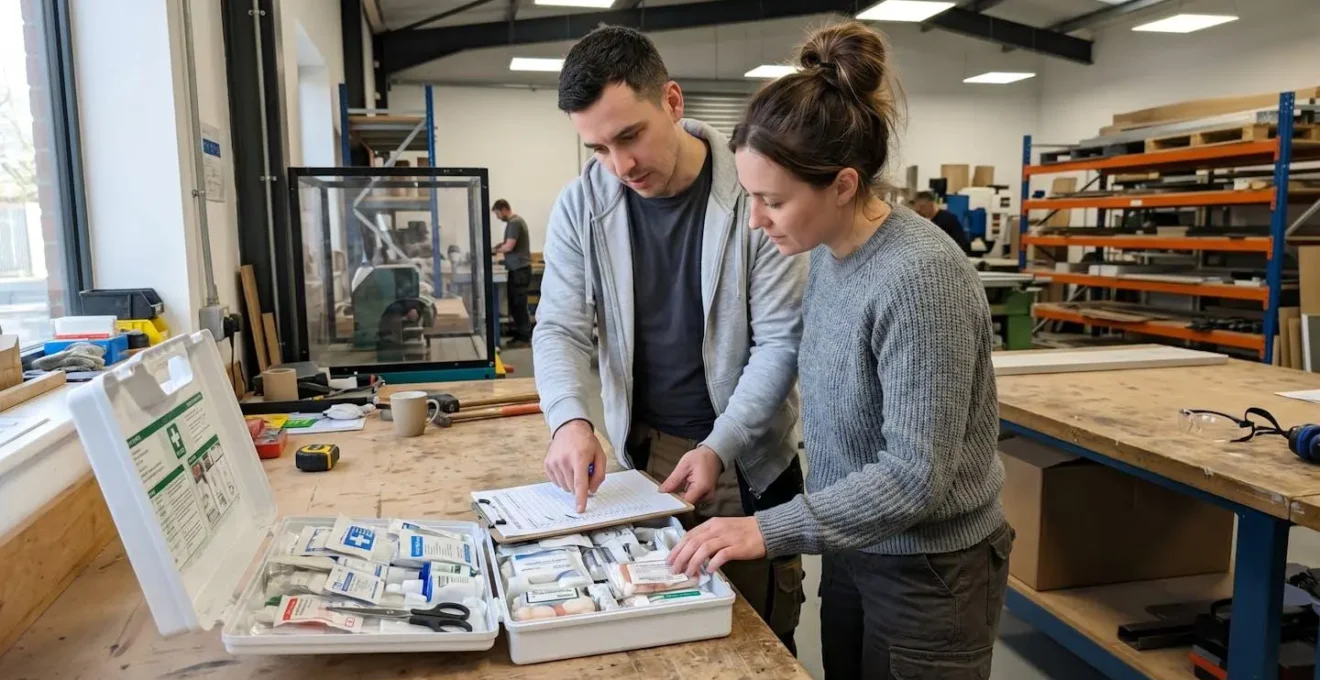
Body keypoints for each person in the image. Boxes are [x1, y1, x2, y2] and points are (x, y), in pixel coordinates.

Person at [666, 22, 1012, 679]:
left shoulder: (919, 277)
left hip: (929, 570)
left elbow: (914, 477)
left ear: (844, 185)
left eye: (774, 201)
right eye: (751, 198)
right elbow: (799, 355)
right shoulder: (829, 252)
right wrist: (722, 445)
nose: (757, 221)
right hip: (858, 545)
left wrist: (769, 530)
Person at [533, 25, 808, 652]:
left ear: (674, 103)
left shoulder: (753, 196)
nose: (620, 166)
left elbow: (780, 345)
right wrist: (568, 421)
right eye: (598, 148)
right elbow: (559, 329)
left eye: (630, 136)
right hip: (641, 464)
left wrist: (719, 446)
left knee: (757, 641)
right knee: (657, 638)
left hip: (745, 460)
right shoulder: (582, 206)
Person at [492, 199, 533, 347]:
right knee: (515, 305)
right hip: (517, 269)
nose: (497, 217)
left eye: (497, 213)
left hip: (519, 270)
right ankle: (521, 336)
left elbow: (509, 247)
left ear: (503, 209)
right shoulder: (514, 222)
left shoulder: (514, 222)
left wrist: (494, 250)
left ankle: (524, 338)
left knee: (519, 305)